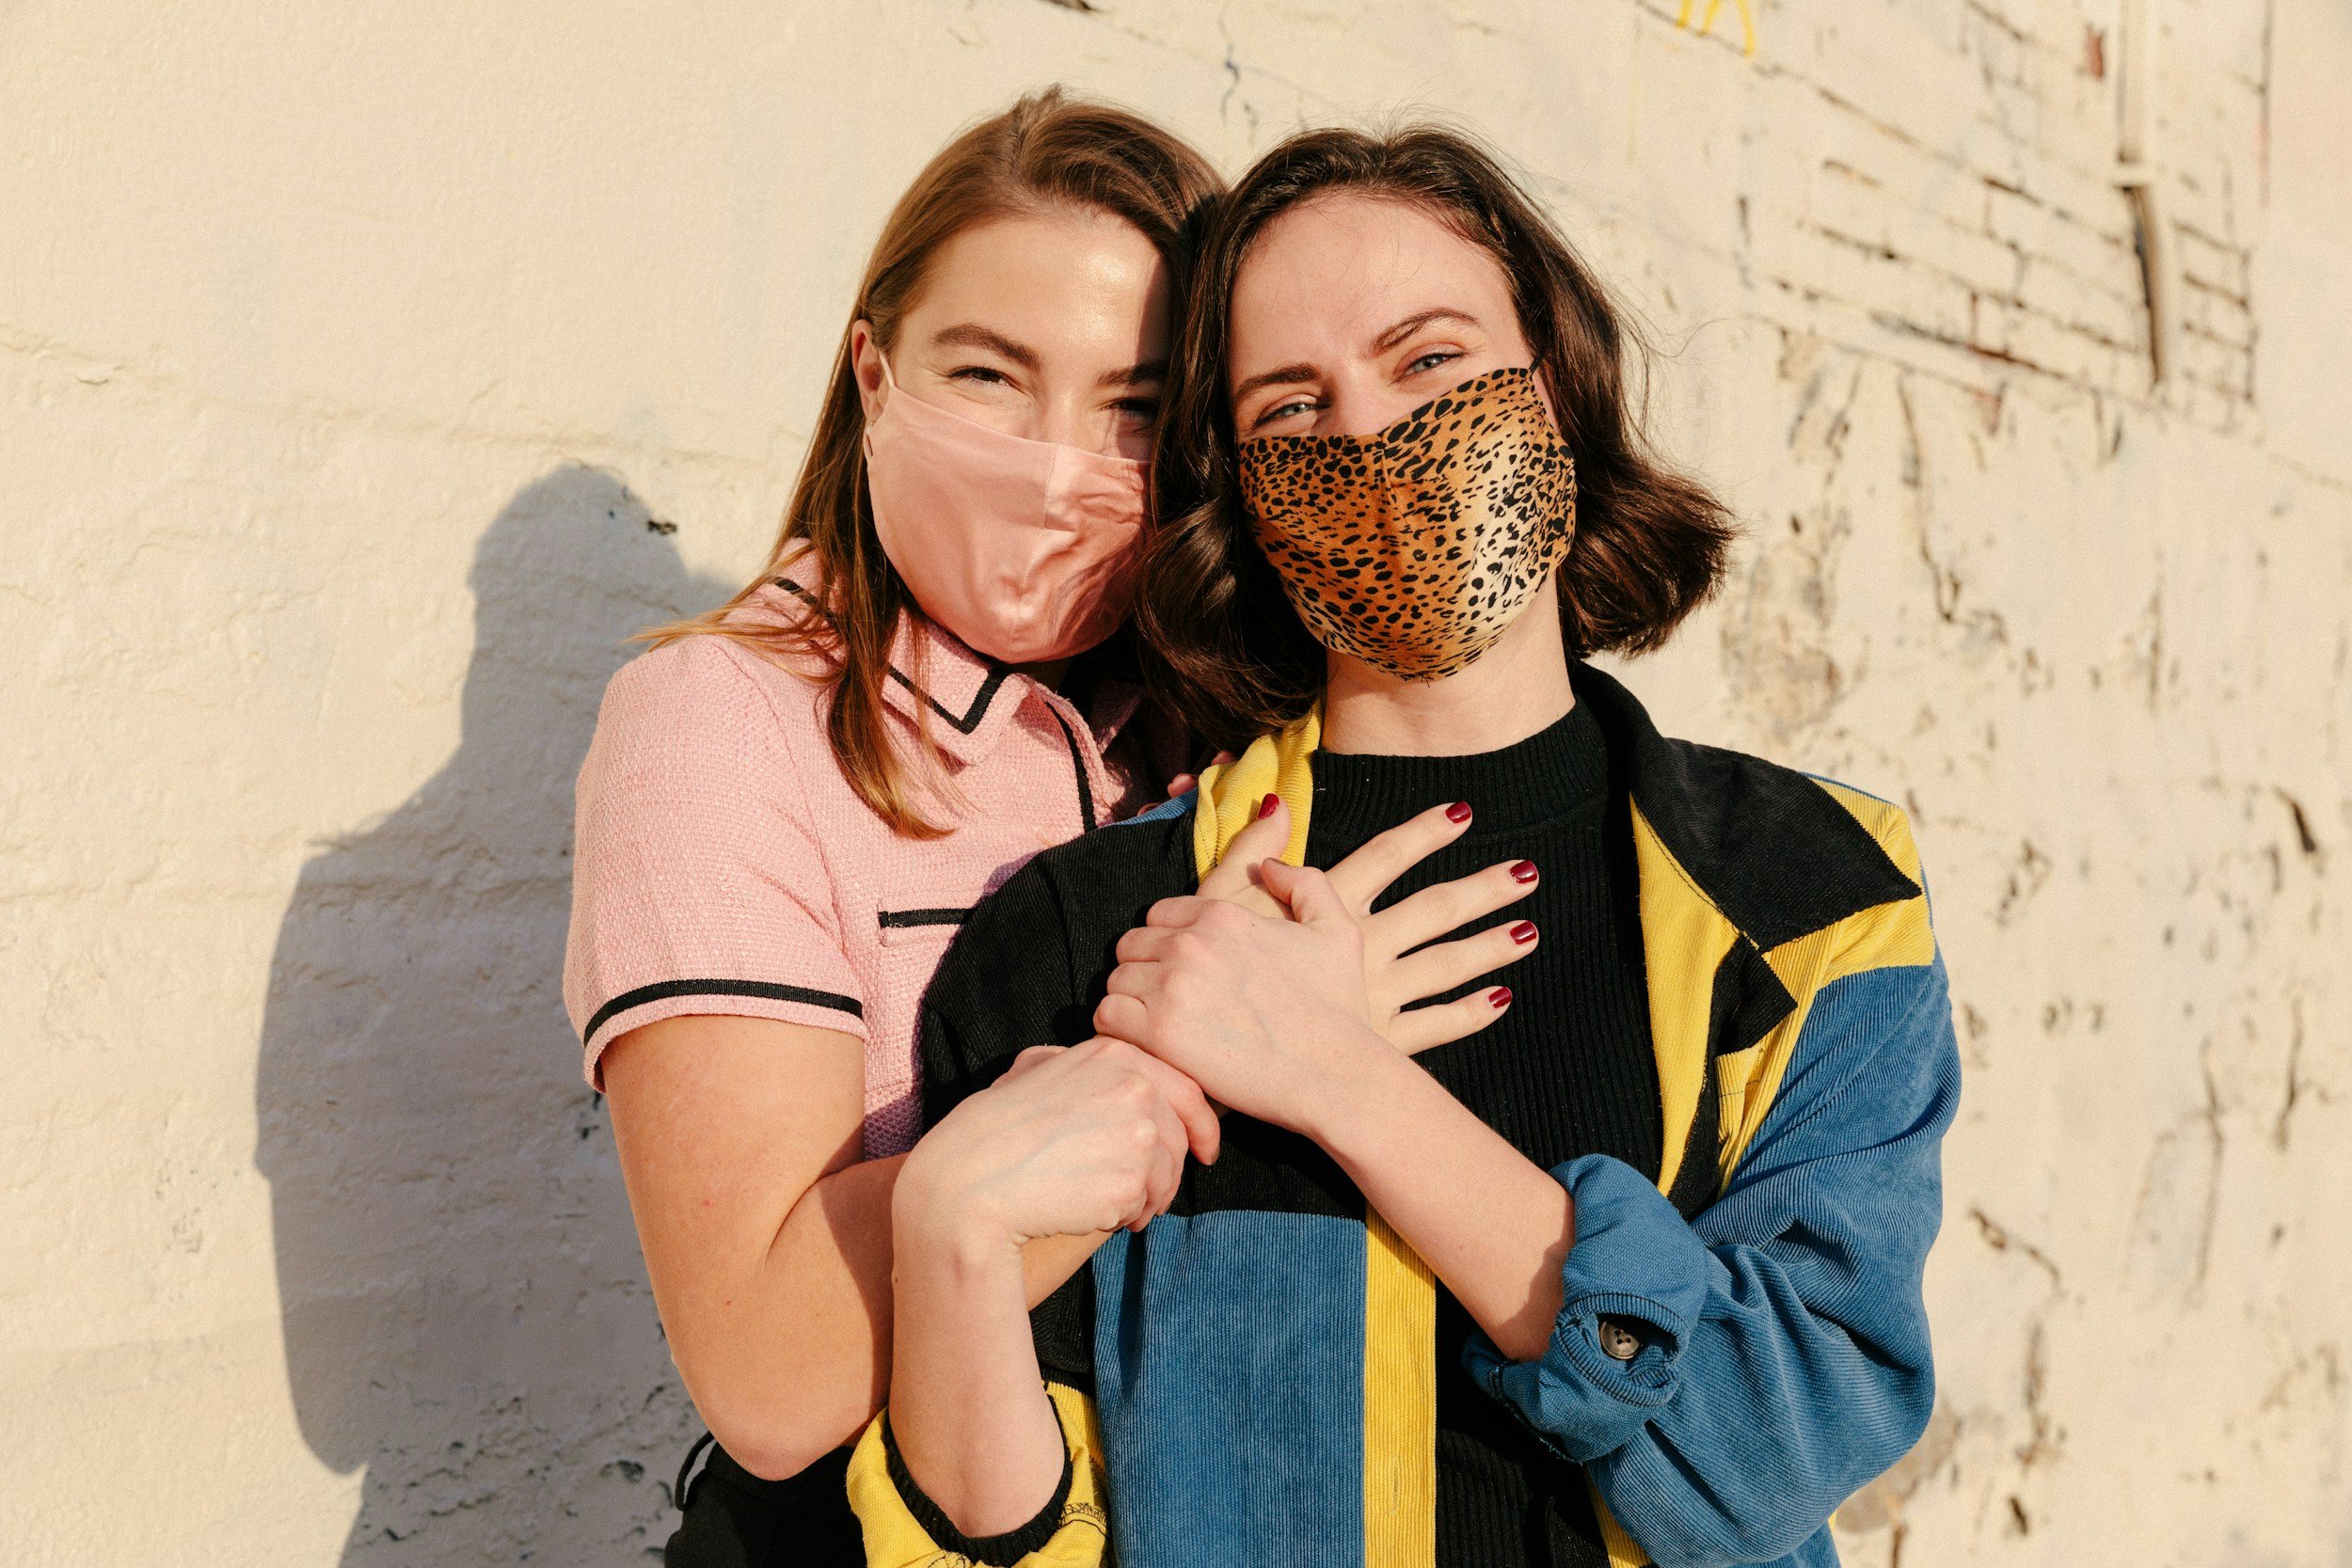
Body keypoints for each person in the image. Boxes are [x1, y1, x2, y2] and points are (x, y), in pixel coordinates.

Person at [856, 124, 1961, 1568]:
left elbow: (1774, 1448)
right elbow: (989, 1530)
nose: (1371, 436)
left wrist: (1338, 1078)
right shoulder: (1093, 934)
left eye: (1430, 359)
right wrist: (946, 1227)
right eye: (1292, 405)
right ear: (1239, 493)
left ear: (1554, 384)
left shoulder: (1813, 889)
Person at [564, 93, 1542, 1565]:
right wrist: (1213, 1045)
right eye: (989, 375)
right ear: (874, 373)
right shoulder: (725, 720)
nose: (1056, 463)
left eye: (1134, 409)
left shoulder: (1217, 719)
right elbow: (768, 1376)